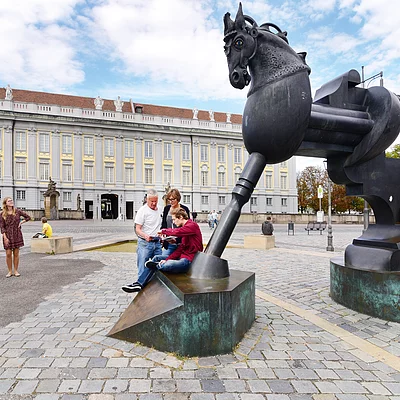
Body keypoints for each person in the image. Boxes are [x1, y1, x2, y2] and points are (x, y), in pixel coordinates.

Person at [122, 208, 203, 293]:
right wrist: (166, 259)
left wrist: (164, 231)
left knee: (169, 264)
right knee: (157, 258)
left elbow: (178, 232)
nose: (173, 222)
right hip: (182, 257)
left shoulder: (192, 225)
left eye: (174, 219)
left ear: (181, 217)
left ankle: (157, 265)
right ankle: (139, 283)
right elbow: (180, 249)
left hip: (189, 260)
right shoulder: (186, 229)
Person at [122, 189, 162, 291]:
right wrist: (145, 236)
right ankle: (141, 291)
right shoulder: (142, 211)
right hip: (145, 243)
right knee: (142, 268)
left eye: (155, 201)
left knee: (160, 266)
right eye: (151, 201)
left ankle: (156, 290)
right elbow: (137, 229)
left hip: (157, 243)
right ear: (147, 200)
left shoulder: (159, 210)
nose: (154, 203)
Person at [0, 197, 31, 277]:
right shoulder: (2, 213)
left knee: (16, 254)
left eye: (11, 200)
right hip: (7, 235)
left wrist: (21, 222)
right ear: (5, 203)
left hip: (17, 234)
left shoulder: (17, 211)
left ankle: (16, 270)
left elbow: (28, 217)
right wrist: (4, 237)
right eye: (9, 201)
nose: (11, 202)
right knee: (8, 254)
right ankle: (10, 271)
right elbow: (2, 227)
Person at [161, 188, 190, 257]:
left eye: (173, 199)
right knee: (164, 259)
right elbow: (164, 224)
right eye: (169, 199)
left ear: (177, 199)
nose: (171, 201)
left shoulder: (184, 209)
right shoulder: (166, 209)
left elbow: (188, 226)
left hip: (181, 242)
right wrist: (163, 234)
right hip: (169, 242)